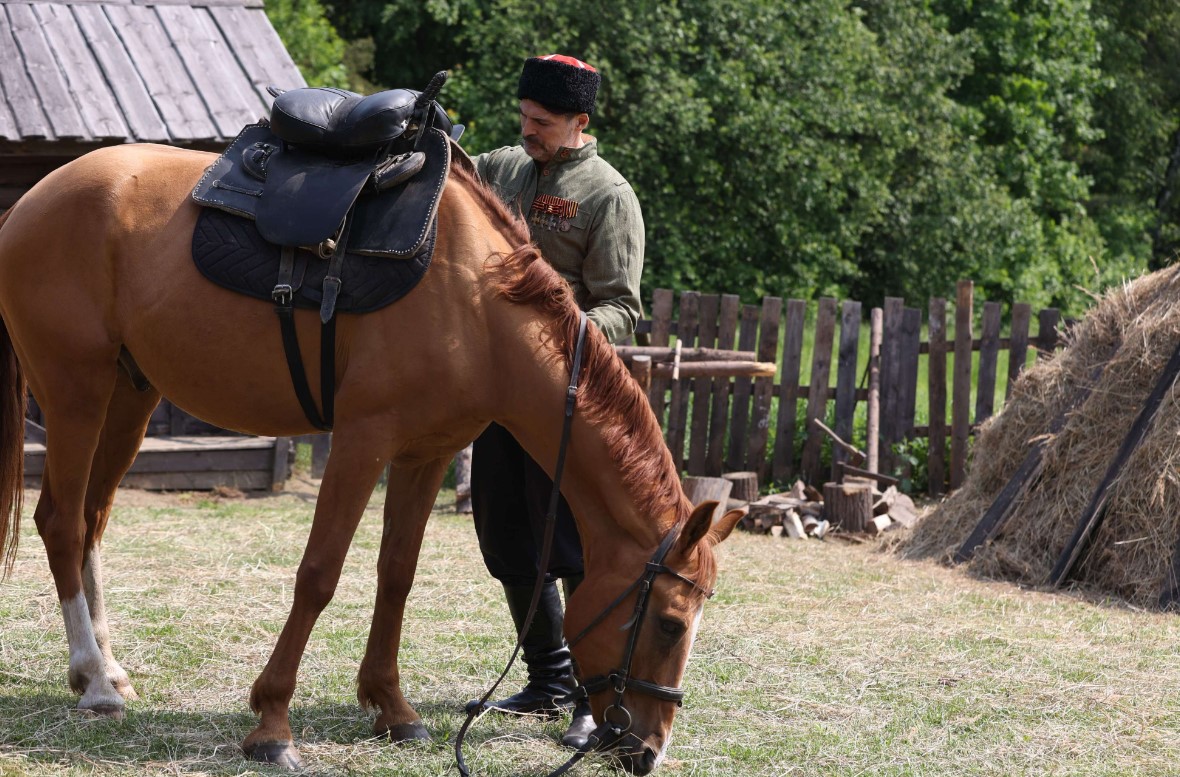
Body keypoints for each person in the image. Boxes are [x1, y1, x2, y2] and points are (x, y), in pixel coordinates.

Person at [466, 54, 644, 749]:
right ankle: (547, 678)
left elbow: (623, 309)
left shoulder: (609, 194)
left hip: (568, 401)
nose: (527, 131)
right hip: (496, 396)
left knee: (566, 545)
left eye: (541, 123)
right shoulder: (502, 167)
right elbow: (449, 178)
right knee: (506, 533)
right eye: (524, 118)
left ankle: (591, 697)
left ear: (580, 123)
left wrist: (553, 336)